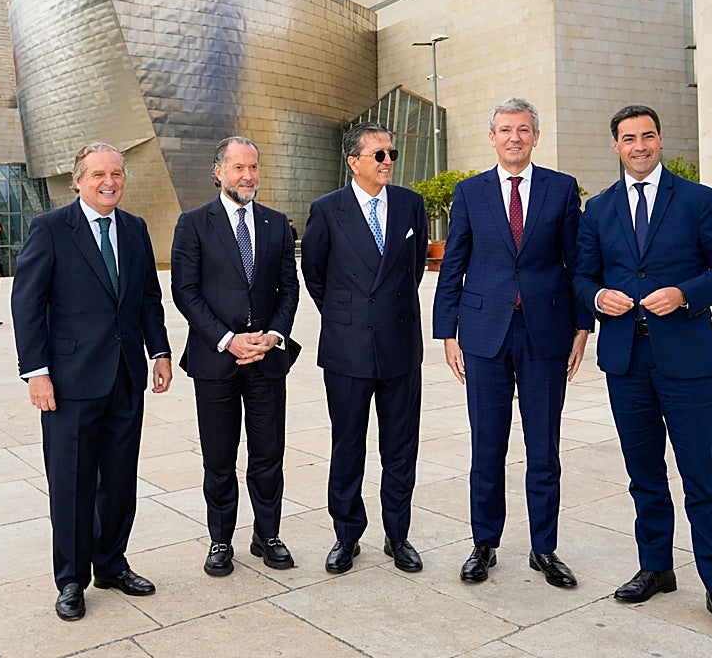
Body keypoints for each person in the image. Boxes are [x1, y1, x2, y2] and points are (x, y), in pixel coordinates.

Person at [573, 105, 712, 637]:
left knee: (701, 475)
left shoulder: (698, 200)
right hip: (627, 362)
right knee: (644, 474)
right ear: (616, 146)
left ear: (660, 140)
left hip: (686, 361)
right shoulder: (598, 210)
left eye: (648, 136)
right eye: (629, 138)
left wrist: (686, 294)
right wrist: (599, 296)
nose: (640, 146)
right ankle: (656, 568)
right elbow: (581, 277)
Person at [432, 97, 593, 587]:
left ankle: (544, 548)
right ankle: (485, 544)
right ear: (492, 137)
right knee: (487, 446)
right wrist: (447, 333)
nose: (514, 137)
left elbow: (578, 264)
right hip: (483, 336)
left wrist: (582, 327)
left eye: (523, 129)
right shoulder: (470, 192)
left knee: (544, 449)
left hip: (547, 333)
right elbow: (452, 263)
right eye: (505, 129)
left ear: (535, 137)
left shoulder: (562, 190)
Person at [11, 142, 172, 622]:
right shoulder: (51, 229)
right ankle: (71, 579)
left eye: (117, 174)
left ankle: (112, 563)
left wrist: (159, 352)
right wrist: (35, 372)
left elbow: (148, 297)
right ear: (77, 180)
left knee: (120, 481)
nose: (110, 182)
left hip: (126, 376)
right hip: (70, 383)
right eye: (99, 174)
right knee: (73, 483)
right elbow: (27, 304)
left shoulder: (136, 228)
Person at [170, 137, 302, 577]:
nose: (248, 176)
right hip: (215, 361)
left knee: (268, 454)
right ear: (219, 172)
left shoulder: (276, 223)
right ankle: (220, 540)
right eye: (239, 168)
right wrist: (228, 339)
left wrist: (274, 335)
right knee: (219, 457)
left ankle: (268, 535)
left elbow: (289, 288)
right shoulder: (192, 224)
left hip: (266, 360)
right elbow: (184, 292)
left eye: (254, 167)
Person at [300, 122, 428, 574]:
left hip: (399, 345)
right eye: (378, 155)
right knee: (348, 444)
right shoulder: (327, 209)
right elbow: (315, 275)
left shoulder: (412, 205)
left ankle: (399, 536)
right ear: (353, 162)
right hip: (347, 349)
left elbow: (412, 271)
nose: (388, 161)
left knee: (400, 447)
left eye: (390, 153)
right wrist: (348, 315)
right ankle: (347, 535)